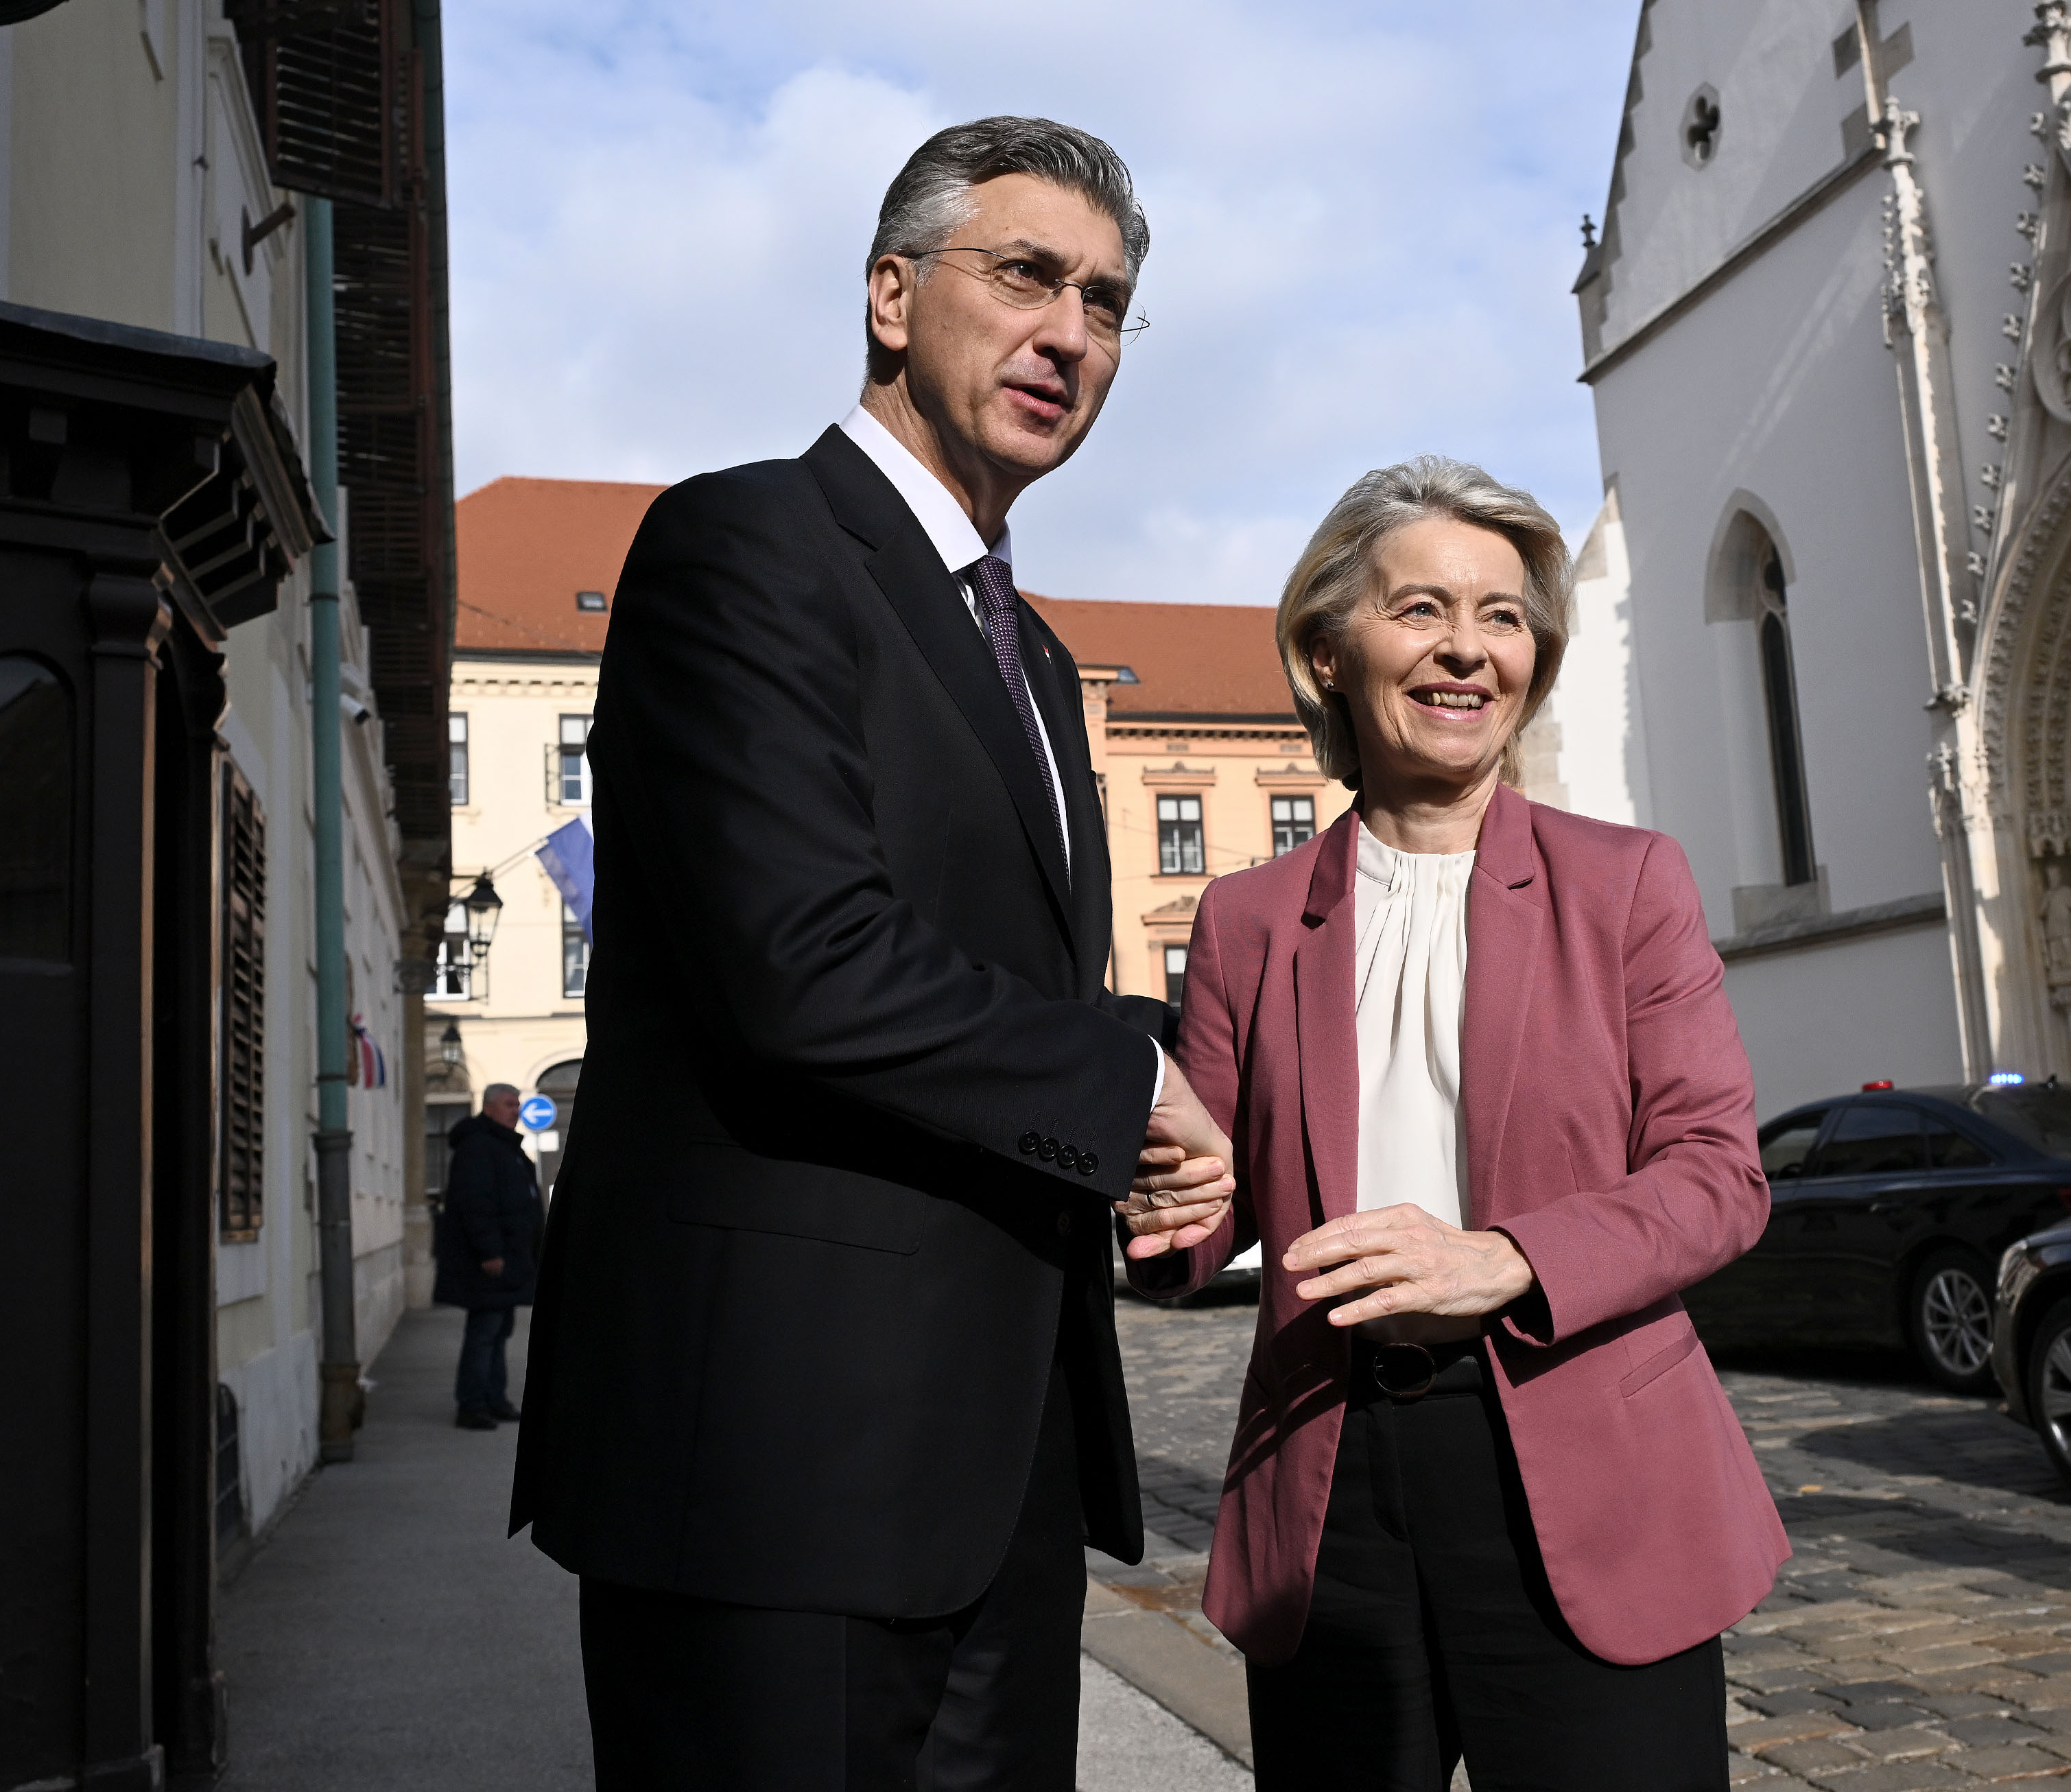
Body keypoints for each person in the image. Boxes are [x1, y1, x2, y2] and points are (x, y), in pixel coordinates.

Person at [509, 118, 1236, 1791]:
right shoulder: (744, 546)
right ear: (892, 297)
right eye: (1030, 276)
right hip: (774, 1466)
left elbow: (1006, 991)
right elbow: (801, 962)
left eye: (1111, 305)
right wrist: (1122, 1071)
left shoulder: (1038, 659)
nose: (1072, 333)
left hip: (1002, 1474)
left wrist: (1134, 1127)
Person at [1118, 458, 1788, 1792]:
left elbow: (1718, 1177)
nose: (1467, 649)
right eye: (1421, 608)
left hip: (1586, 1457)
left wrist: (1511, 1259)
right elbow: (1191, 1229)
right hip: (1332, 1478)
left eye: (1501, 615)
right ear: (1327, 650)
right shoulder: (1246, 920)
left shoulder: (1626, 883)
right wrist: (1150, 1201)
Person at [432, 1083, 543, 1431]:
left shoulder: (504, 1146)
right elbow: (475, 1204)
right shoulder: (480, 1147)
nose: (516, 1111)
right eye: (510, 1104)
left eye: (518, 1105)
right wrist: (490, 1251)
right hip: (491, 1262)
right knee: (485, 1331)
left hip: (509, 1258)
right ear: (490, 1107)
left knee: (499, 1329)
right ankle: (473, 1405)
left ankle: (495, 1400)